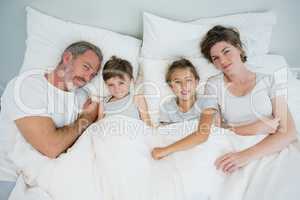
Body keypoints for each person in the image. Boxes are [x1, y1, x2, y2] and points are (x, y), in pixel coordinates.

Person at [0, 41, 102, 198]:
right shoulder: (27, 86)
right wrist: (87, 117)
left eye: (93, 75)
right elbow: (51, 146)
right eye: (86, 67)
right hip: (10, 180)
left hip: (53, 181)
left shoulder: (82, 98)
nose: (87, 78)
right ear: (67, 58)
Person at [200, 25, 298, 174]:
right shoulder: (213, 85)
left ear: (239, 48)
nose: (223, 61)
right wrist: (255, 128)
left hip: (275, 149)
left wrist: (246, 156)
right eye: (216, 58)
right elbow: (213, 130)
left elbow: (288, 131)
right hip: (235, 151)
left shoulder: (269, 81)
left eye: (226, 51)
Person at [151, 58, 220, 160]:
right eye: (177, 82)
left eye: (188, 80)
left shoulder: (207, 102)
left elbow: (203, 135)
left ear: (196, 82)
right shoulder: (167, 107)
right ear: (171, 86)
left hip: (205, 151)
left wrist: (164, 151)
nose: (184, 86)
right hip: (178, 154)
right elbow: (165, 137)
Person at [98, 56, 154, 127]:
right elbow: (99, 125)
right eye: (111, 85)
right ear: (106, 84)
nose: (116, 89)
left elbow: (147, 124)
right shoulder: (103, 103)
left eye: (121, 83)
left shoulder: (137, 99)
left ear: (131, 81)